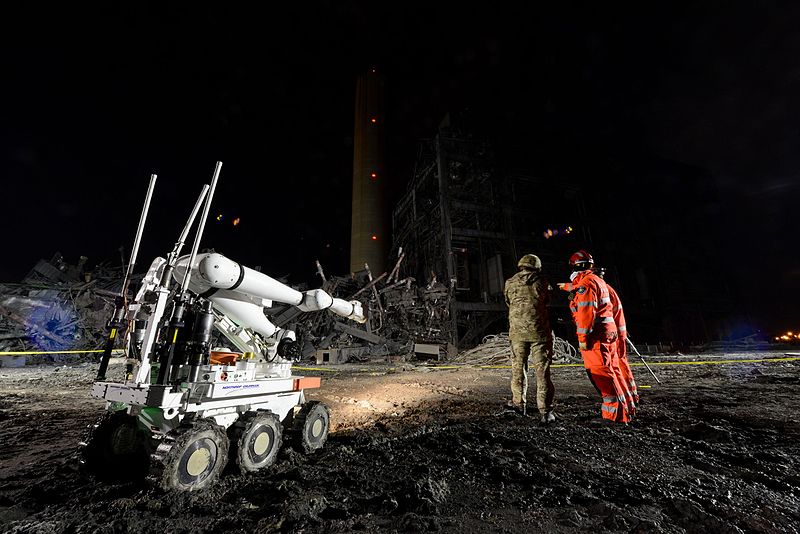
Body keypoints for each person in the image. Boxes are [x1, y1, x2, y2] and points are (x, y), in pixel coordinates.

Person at [560, 250, 633, 423]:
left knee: (602, 375)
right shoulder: (596, 281)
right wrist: (566, 287)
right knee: (613, 372)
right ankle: (624, 411)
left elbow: (586, 314)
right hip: (607, 334)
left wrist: (583, 339)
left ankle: (613, 416)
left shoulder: (587, 284)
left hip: (596, 337)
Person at [503, 254, 556, 424]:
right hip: (539, 333)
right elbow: (548, 301)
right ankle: (545, 412)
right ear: (537, 267)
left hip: (517, 333)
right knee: (542, 372)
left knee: (518, 369)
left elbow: (508, 302)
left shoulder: (509, 282)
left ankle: (519, 404)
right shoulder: (542, 281)